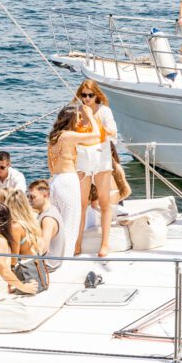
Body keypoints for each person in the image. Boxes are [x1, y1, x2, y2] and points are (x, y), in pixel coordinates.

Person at [47, 105, 99, 258]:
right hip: (67, 182)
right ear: (71, 120)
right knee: (70, 224)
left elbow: (51, 164)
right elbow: (96, 135)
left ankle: (51, 257)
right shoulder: (68, 136)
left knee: (57, 222)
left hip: (55, 181)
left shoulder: (53, 137)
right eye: (78, 118)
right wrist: (90, 116)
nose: (80, 121)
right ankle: (65, 259)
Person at [74, 80, 118, 258]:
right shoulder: (76, 112)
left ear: (96, 95)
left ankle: (105, 243)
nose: (86, 98)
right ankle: (77, 243)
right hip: (83, 160)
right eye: (83, 95)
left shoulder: (104, 111)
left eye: (90, 95)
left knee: (104, 202)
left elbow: (113, 132)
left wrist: (93, 120)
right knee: (82, 204)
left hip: (101, 158)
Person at [0, 187, 42, 265]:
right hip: (35, 265)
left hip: (23, 269)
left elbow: (13, 260)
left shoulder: (15, 227)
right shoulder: (31, 221)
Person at [27, 179, 65, 270]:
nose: (29, 200)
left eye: (32, 197)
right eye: (28, 197)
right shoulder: (52, 209)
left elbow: (43, 248)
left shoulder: (48, 219)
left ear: (45, 195)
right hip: (50, 263)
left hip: (47, 266)